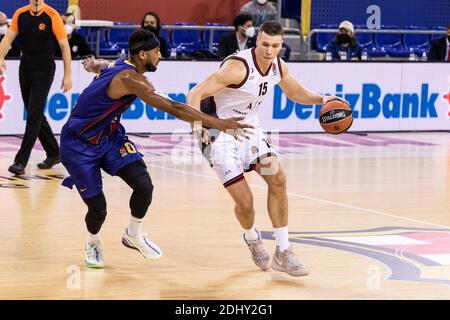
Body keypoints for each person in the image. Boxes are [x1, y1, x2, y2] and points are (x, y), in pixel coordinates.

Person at [60, 29, 253, 268]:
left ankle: (133, 234)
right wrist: (219, 123)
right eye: (156, 51)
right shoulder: (132, 80)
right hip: (78, 144)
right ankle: (93, 240)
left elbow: (106, 65)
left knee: (144, 185)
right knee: (98, 209)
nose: (160, 55)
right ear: (142, 55)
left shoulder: (124, 63)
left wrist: (94, 66)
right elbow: (176, 108)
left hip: (109, 138)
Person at [187, 21, 343, 276]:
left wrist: (323, 99)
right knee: (246, 203)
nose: (269, 51)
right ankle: (252, 238)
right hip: (218, 133)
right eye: (265, 45)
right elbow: (196, 93)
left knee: (278, 178)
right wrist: (199, 127)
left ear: (281, 45)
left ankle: (283, 251)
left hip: (249, 130)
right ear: (256, 41)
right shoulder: (237, 67)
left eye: (275, 46)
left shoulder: (278, 66)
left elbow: (295, 92)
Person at [0, 0, 72, 175]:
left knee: (33, 115)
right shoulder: (20, 14)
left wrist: (67, 75)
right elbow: (8, 38)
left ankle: (20, 162)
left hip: (45, 66)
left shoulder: (52, 15)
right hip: (25, 66)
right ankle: (54, 153)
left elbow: (64, 46)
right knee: (34, 112)